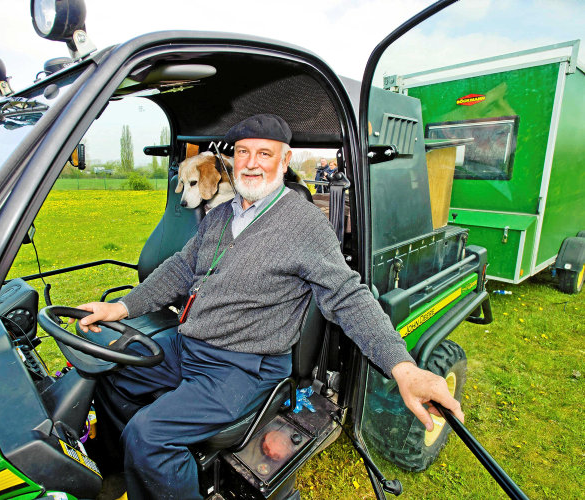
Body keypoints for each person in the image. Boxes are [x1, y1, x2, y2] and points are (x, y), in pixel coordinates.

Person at [75, 114, 464, 500]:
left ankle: (152, 468)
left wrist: (402, 366)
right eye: (243, 152)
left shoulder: (305, 225)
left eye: (265, 152)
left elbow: (348, 296)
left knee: (150, 435)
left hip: (242, 366)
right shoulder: (221, 216)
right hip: (188, 345)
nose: (252, 162)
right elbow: (180, 268)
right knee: (112, 377)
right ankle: (117, 478)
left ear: (284, 159)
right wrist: (122, 308)